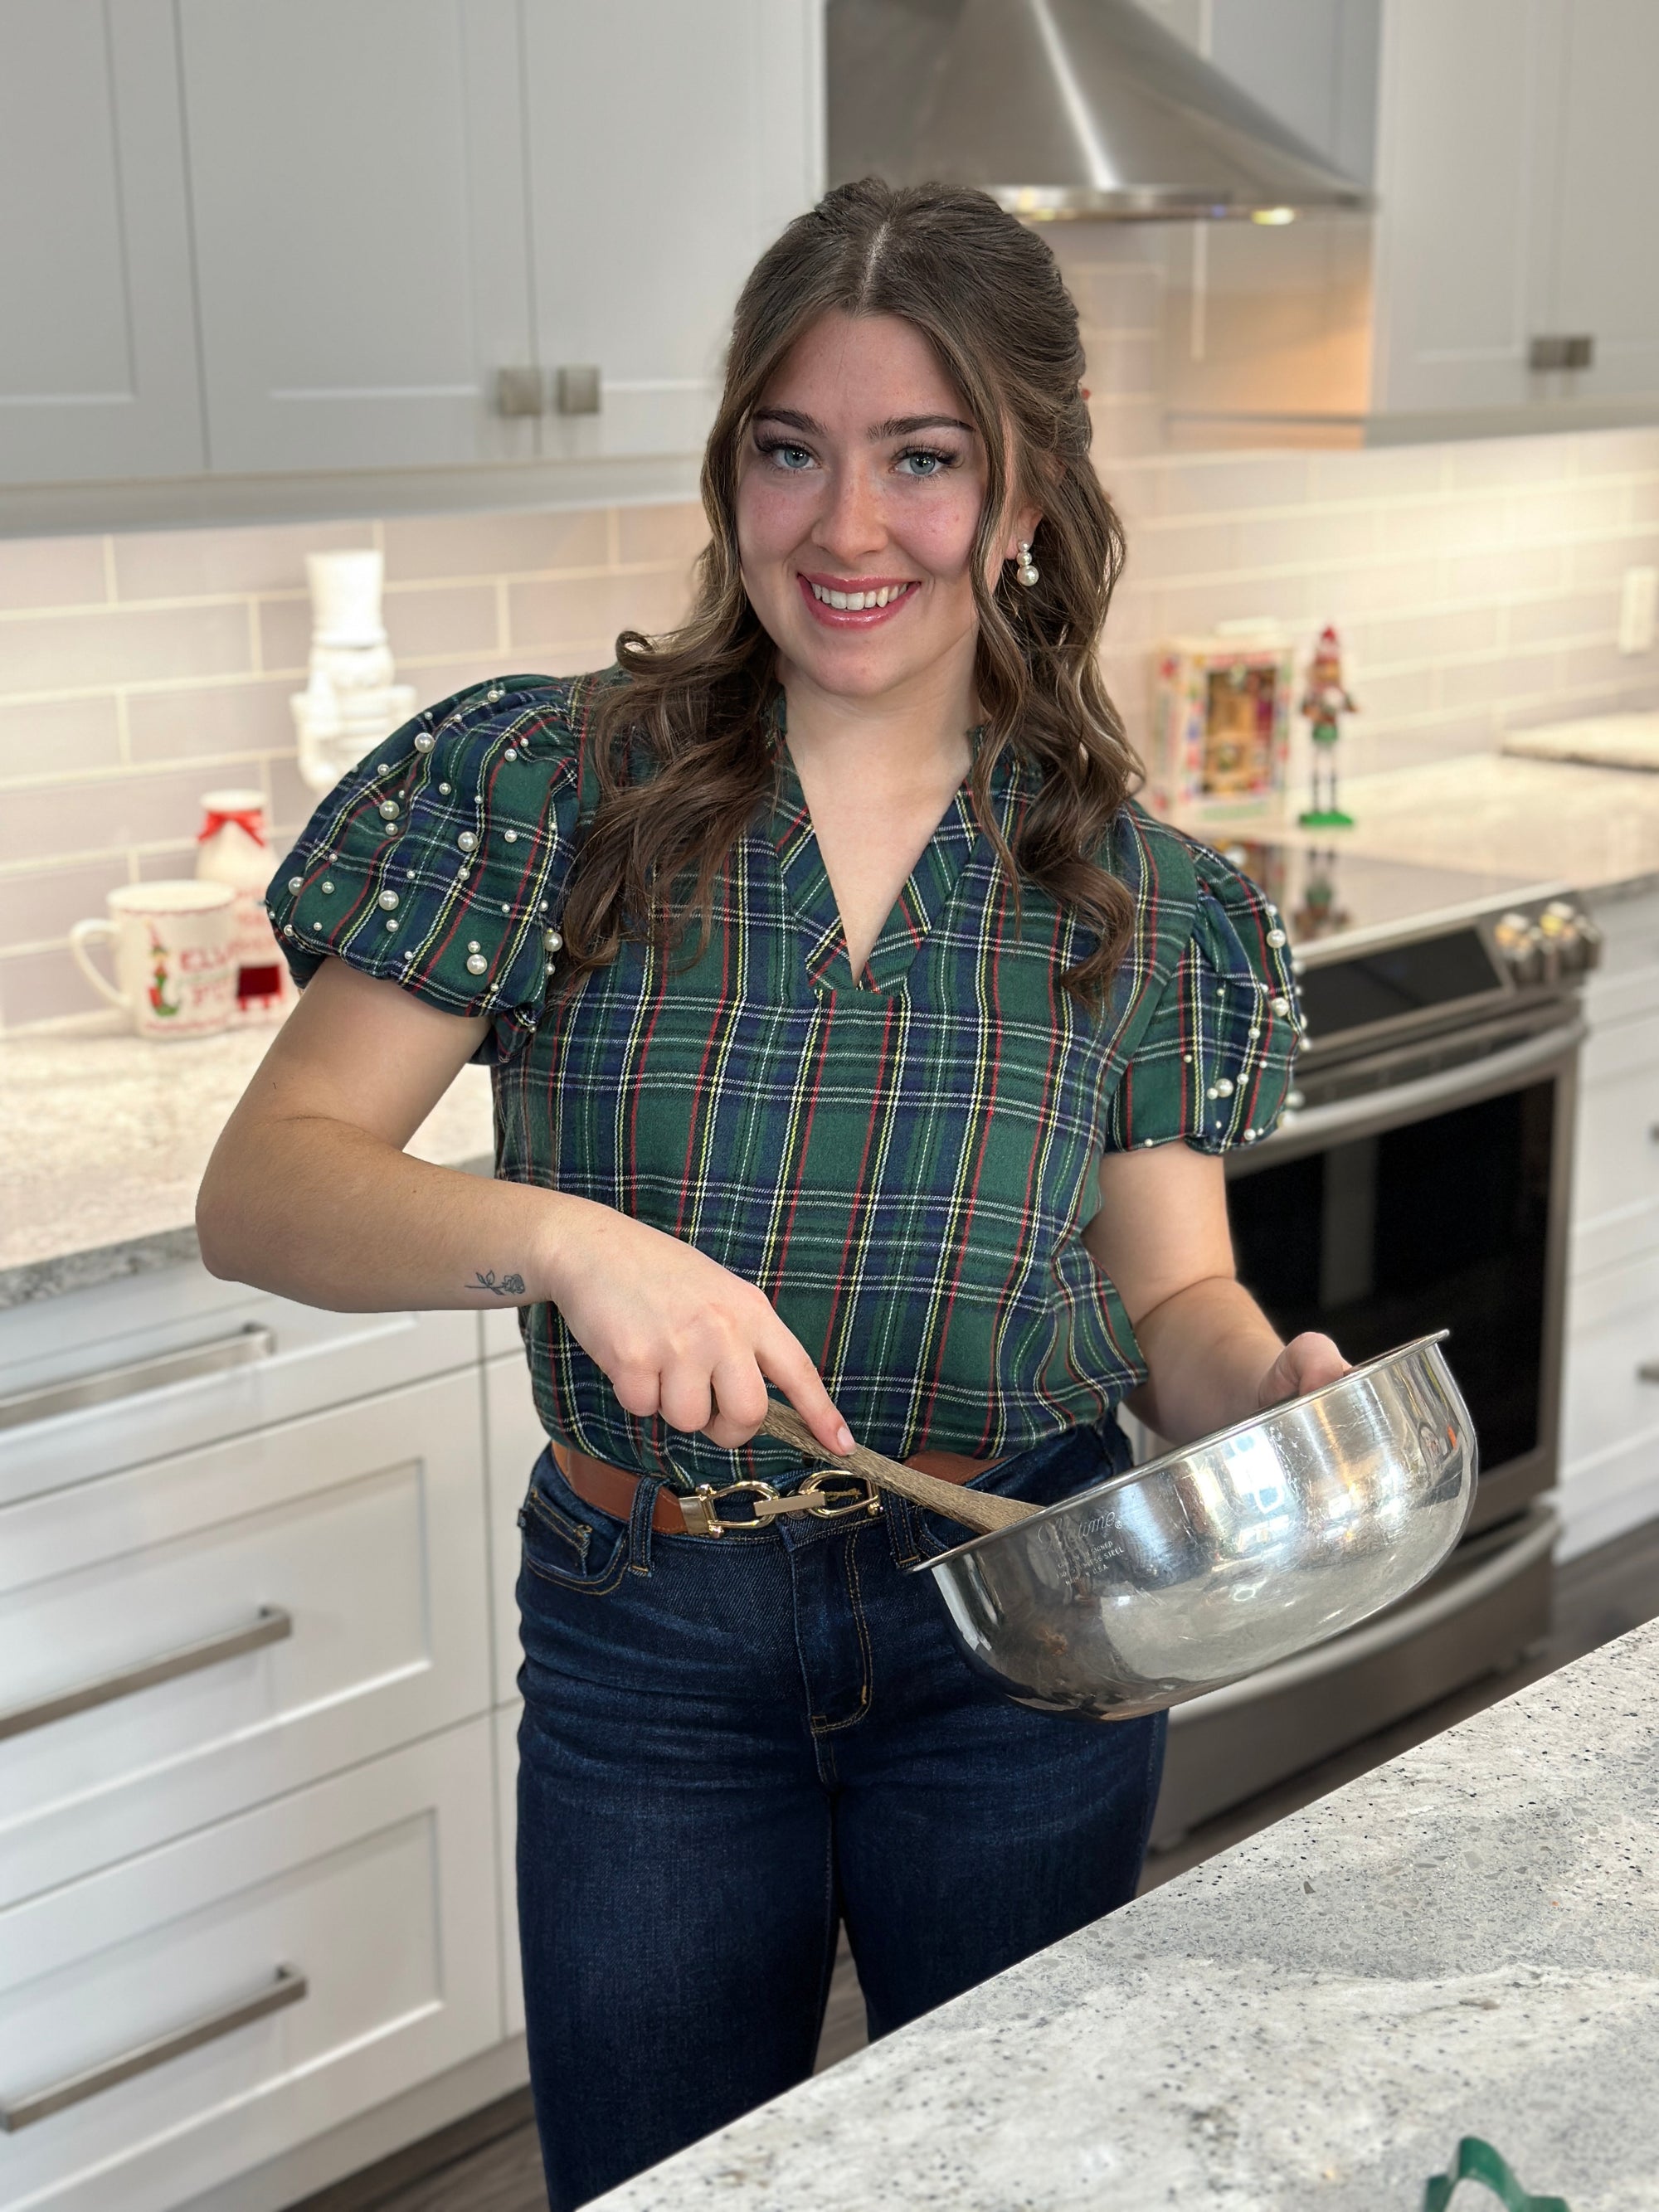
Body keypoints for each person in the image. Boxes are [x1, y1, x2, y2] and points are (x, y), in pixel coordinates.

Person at [197, 178, 1345, 2210]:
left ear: (1025, 495)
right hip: (657, 1637)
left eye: (923, 459)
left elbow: (1176, 1303)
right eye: (788, 448)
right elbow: (271, 1188)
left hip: (1030, 1631)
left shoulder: (1138, 896)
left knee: (1008, 2176)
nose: (843, 527)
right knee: (658, 2183)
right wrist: (559, 1234)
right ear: (729, 460)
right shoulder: (547, 790)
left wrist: (1256, 1391)